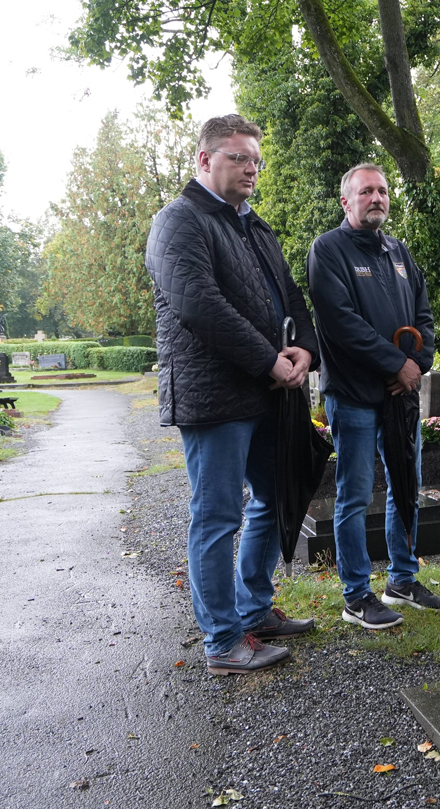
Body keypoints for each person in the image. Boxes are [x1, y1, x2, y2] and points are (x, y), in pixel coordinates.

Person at [146, 114, 321, 675]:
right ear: (204, 160)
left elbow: (290, 296)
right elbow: (200, 305)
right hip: (215, 396)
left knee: (277, 495)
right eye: (239, 157)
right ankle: (222, 641)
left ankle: (254, 610)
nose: (251, 168)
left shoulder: (253, 225)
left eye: (255, 159)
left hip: (268, 392)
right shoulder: (179, 222)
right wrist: (268, 359)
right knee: (218, 516)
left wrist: (305, 352)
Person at [307, 163, 440, 630]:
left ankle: (402, 579)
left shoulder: (399, 252)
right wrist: (396, 365)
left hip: (400, 397)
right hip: (354, 395)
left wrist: (418, 364)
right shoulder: (328, 251)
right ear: (346, 201)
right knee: (353, 496)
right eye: (366, 191)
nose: (377, 198)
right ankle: (356, 595)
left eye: (383, 191)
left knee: (406, 485)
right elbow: (341, 323)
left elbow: (425, 315)